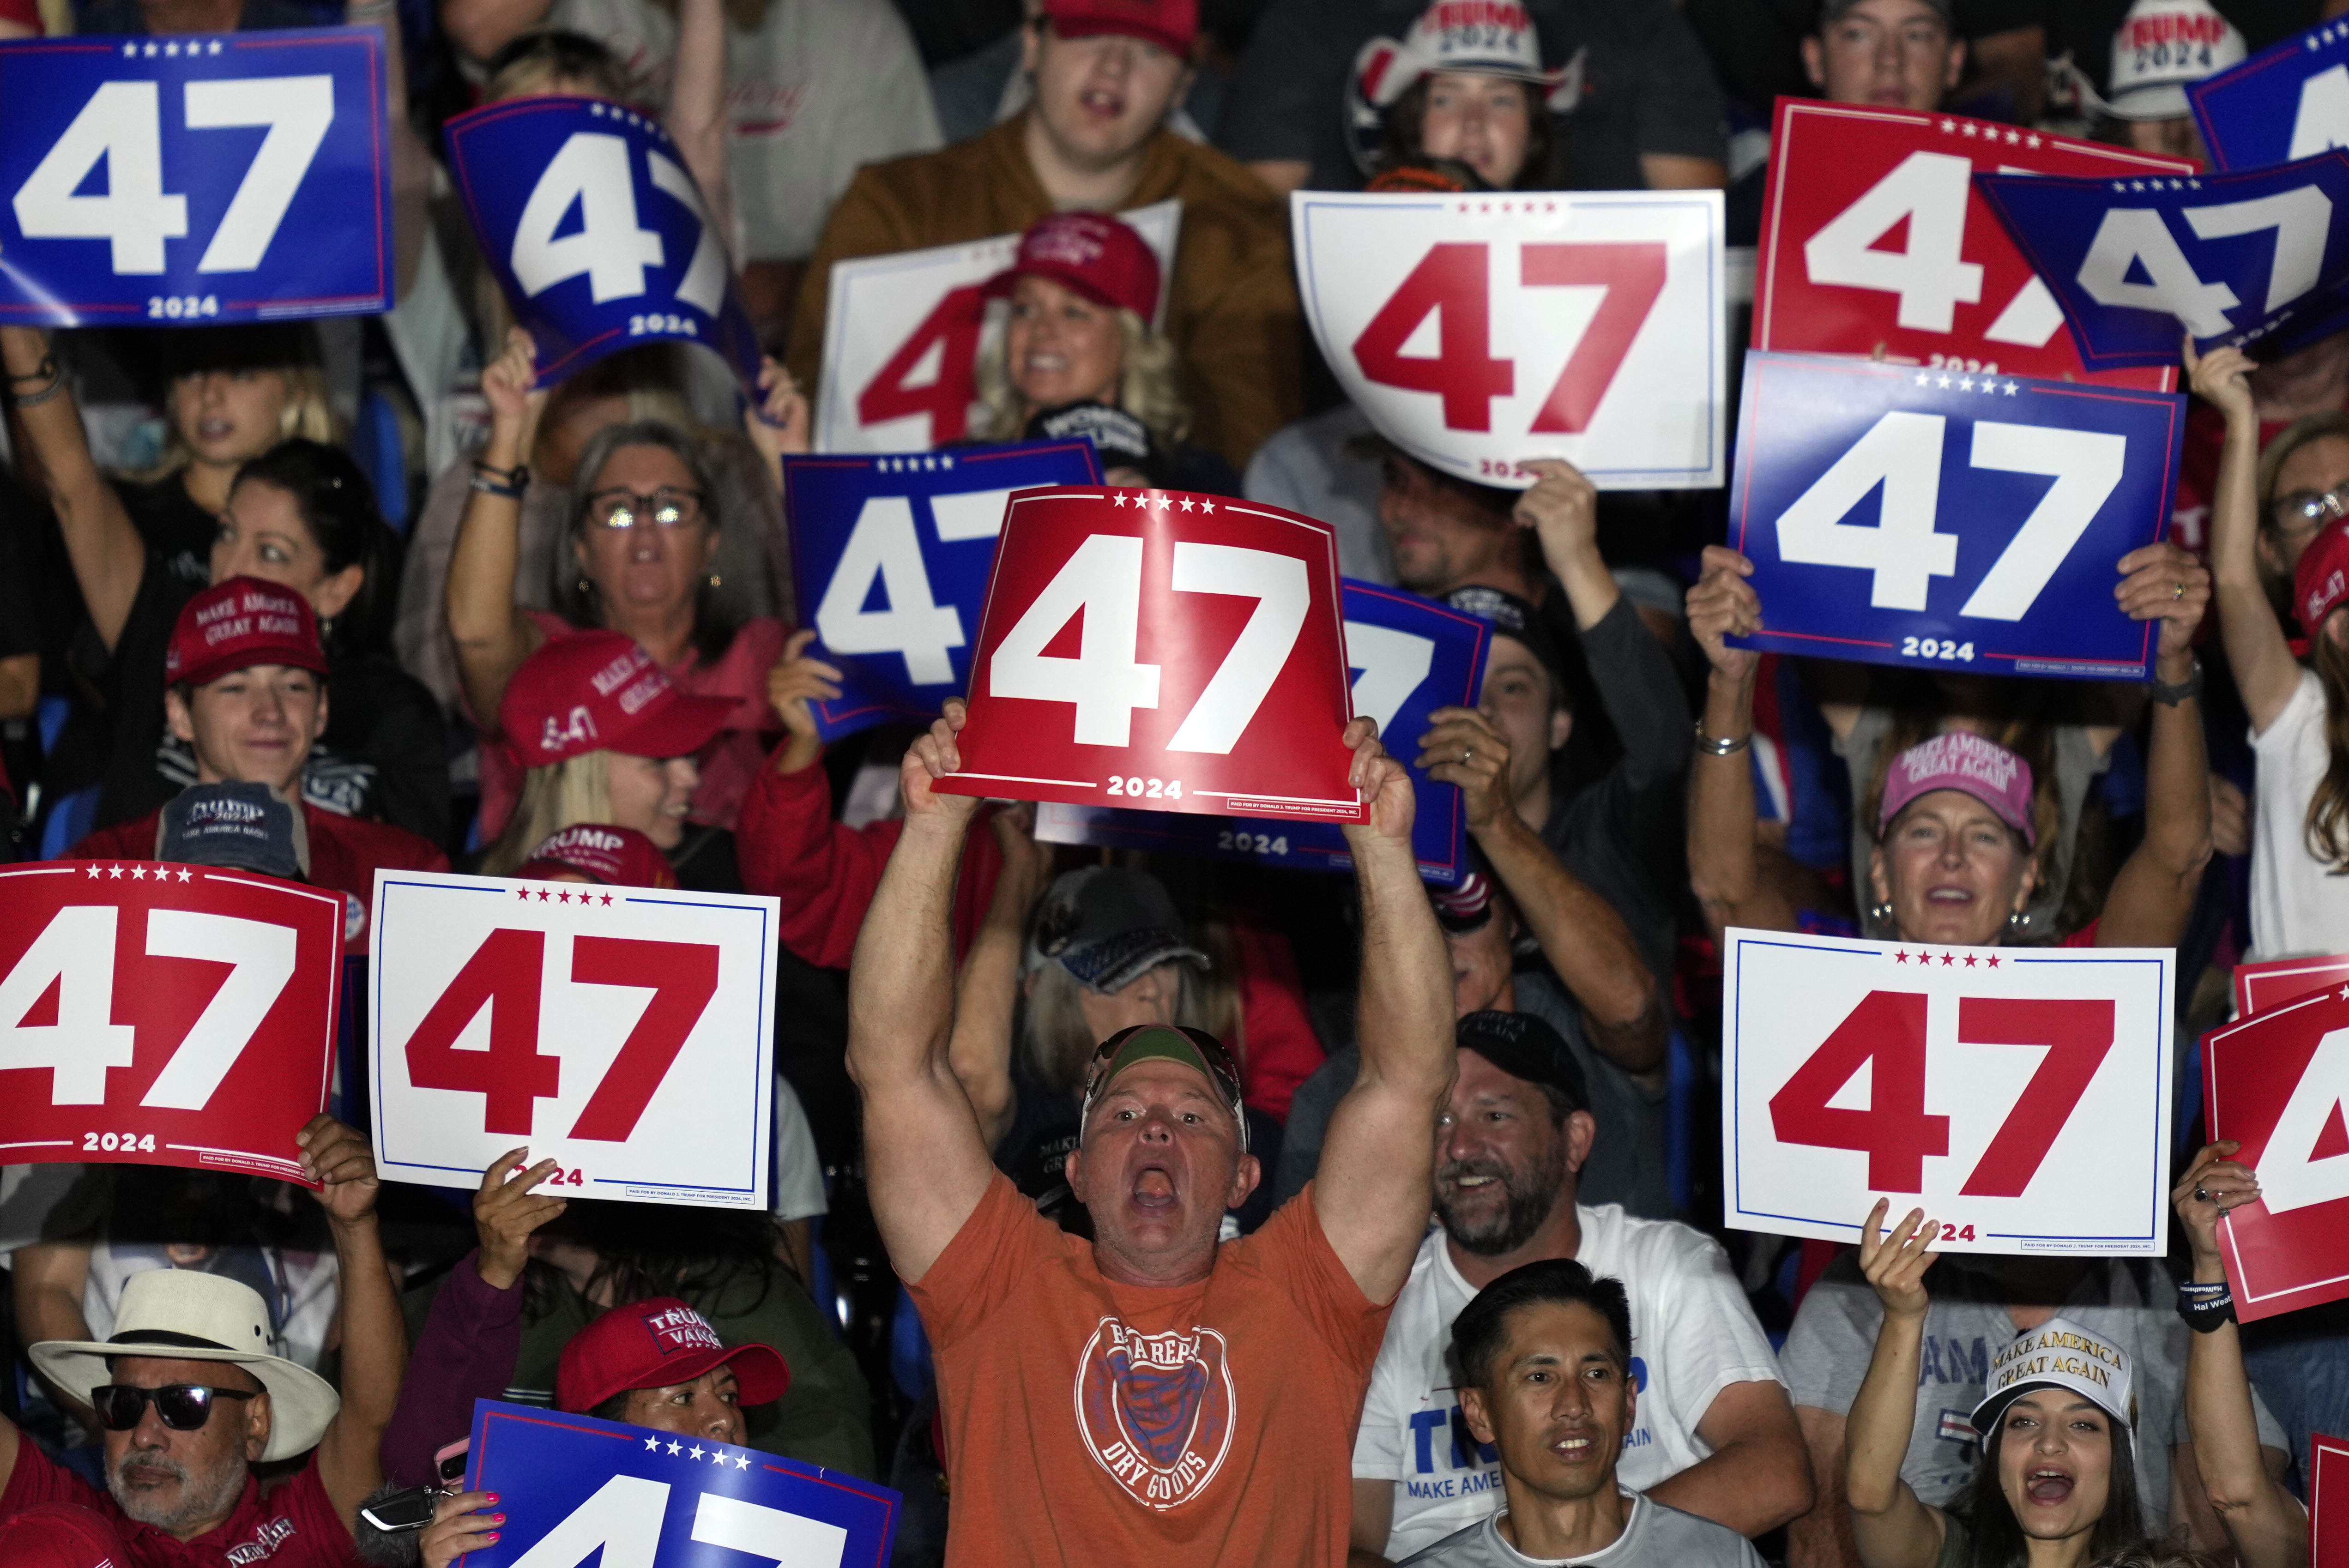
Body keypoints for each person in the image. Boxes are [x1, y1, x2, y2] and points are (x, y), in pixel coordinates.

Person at [848, 700, 1453, 1558]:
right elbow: (895, 1071)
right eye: (1125, 1114)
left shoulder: (1309, 1298)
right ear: (1081, 1174)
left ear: (1248, 1176)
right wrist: (936, 824)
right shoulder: (1001, 1286)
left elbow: (1409, 1083)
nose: (1158, 1129)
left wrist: (1383, 851)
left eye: (1193, 1115)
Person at [1352, 1011, 1807, 1561]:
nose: (1460, 1147)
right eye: (1440, 1121)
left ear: (1574, 1140)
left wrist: (1587, 1551)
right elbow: (1347, 1540)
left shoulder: (1665, 1266)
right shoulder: (1377, 1304)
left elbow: (1775, 1470)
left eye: (1494, 1115)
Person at [788, 0, 1303, 470]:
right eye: (1088, 35)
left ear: (1183, 86)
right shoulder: (896, 203)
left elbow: (1250, 449)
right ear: (1031, 46)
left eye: (1149, 50)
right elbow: (815, 410)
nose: (1113, 68)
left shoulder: (1237, 225)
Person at [2, 325, 447, 843]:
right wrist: (19, 332)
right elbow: (72, 484)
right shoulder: (169, 638)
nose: (233, 568)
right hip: (152, 912)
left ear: (337, 589)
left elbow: (416, 890)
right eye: (227, 533)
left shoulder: (393, 710)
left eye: (272, 553)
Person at [1684, 542, 2213, 953]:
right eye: (1922, 831)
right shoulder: (1821, 989)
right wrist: (1729, 681)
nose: (1951, 858)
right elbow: (1724, 890)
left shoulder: (2084, 989)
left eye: (1984, 837)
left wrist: (2171, 664)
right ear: (1877, 870)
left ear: (2029, 876)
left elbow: (2177, 862)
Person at [445, 328, 800, 842]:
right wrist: (509, 435)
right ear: (580, 550)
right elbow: (476, 633)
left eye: (672, 506)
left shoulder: (757, 655)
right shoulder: (550, 659)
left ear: (712, 544)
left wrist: (792, 463)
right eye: (616, 511)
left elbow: (861, 662)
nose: (645, 527)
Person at [1832, 1182, 2297, 1568]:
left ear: (2118, 1462)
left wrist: (2210, 1273)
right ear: (1992, 1459)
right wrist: (1903, 1318)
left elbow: (2239, 1498)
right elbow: (1870, 1493)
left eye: (2082, 1424)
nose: (2048, 1443)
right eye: (2022, 1422)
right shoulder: (1953, 1555)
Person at [0, 1117, 403, 1561]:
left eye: (183, 1403)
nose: (144, 1436)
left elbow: (373, 1410)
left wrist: (355, 1225)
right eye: (123, 1404)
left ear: (256, 1423)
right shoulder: (60, 1519)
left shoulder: (309, 1526)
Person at [441, 0, 939, 335]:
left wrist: (784, 290)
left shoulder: (854, 24)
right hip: (566, 319)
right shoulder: (576, 12)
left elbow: (908, 263)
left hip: (786, 341)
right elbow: (475, 26)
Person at [71, 578, 448, 952]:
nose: (270, 712)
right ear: (180, 713)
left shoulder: (403, 875)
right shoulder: (98, 872)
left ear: (321, 710)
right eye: (235, 688)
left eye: (294, 687)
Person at [1277, 871, 1669, 1218]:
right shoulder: (1333, 1095)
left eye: (1459, 915)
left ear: (1514, 914)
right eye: (1408, 923)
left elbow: (1631, 1014)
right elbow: (1302, 1281)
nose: (1436, 945)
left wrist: (1495, 821)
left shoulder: (1586, 1028)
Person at [1393, 1259, 1766, 1567]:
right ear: (1479, 1414)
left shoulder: (1720, 1558)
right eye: (1540, 1377)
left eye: (1596, 1374)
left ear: (1629, 1402)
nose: (1574, 1405)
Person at [1221, 0, 1727, 198]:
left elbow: (1690, 235)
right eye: (1444, 100)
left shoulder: (1644, 29)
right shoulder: (1303, 25)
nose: (1472, 124)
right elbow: (1252, 233)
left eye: (1502, 101)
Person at [2192, 341, 2349, 961]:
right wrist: (2239, 421)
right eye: (2305, 507)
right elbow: (2229, 581)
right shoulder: (2295, 712)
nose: (2333, 520)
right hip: (2298, 1049)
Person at [972, 211, 1241, 493]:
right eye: (1024, 309)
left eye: (1074, 313)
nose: (1042, 329)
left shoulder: (1193, 484)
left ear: (1131, 339)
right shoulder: (956, 470)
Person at [474, 629, 737, 875]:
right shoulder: (468, 896)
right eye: (659, 760)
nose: (692, 778)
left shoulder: (718, 872)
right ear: (581, 778)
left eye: (688, 755)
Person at [1804, 0, 1965, 112]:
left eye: (1917, 35)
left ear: (1954, 62)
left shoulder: (1988, 162)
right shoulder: (1781, 159)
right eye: (1858, 34)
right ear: (1815, 60)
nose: (1890, 60)